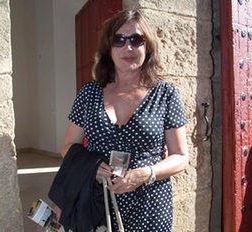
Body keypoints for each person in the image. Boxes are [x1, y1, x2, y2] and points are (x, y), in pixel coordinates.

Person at [59, 10, 188, 231]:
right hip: (98, 202)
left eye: (136, 39)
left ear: (147, 47)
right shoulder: (89, 93)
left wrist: (145, 174)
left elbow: (181, 157)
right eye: (118, 40)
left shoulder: (165, 94)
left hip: (150, 207)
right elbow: (67, 147)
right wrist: (91, 166)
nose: (128, 47)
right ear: (108, 49)